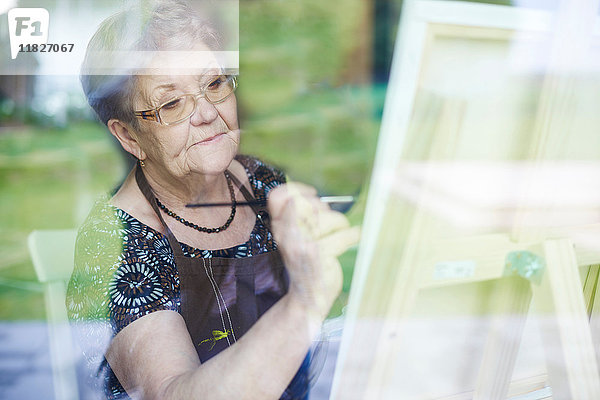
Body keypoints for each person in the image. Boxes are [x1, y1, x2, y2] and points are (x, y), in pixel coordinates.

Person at [66, 1, 359, 399]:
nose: (206, 112)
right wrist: (304, 303)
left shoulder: (260, 181)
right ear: (128, 136)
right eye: (171, 103)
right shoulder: (114, 240)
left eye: (215, 83)